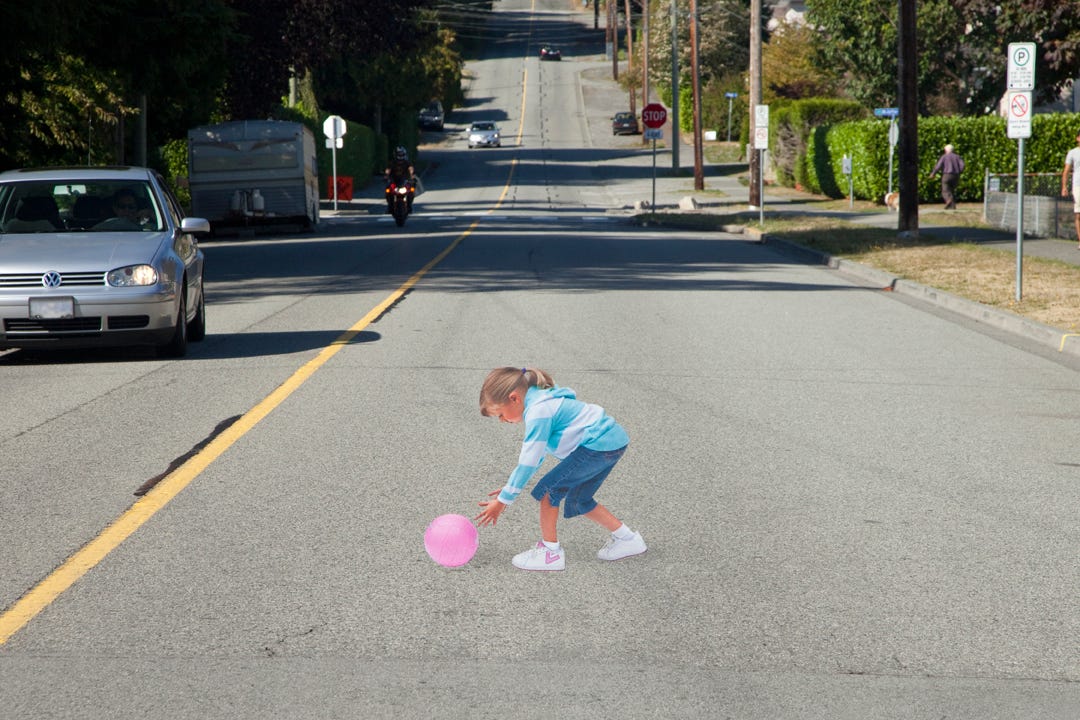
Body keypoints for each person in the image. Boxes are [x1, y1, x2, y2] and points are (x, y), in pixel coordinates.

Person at [474, 367, 646, 571]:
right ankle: (628, 539)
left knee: (549, 491)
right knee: (581, 500)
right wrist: (509, 488)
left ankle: (550, 553)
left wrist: (503, 501)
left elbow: (528, 461)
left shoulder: (539, 411)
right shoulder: (541, 400)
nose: (503, 421)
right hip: (611, 442)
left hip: (597, 445)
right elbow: (535, 458)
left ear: (514, 398)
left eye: (500, 414)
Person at [1060, 131, 1080, 248]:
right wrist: (1064, 186)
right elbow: (1066, 171)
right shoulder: (1073, 153)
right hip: (1078, 185)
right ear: (1077, 138)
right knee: (1078, 214)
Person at [930, 144, 965, 209]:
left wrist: (933, 173)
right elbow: (962, 165)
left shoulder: (944, 157)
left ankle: (948, 200)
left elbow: (938, 166)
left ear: (946, 150)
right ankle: (952, 206)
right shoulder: (957, 157)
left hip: (947, 174)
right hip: (956, 175)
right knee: (952, 190)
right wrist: (959, 171)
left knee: (945, 190)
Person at [383, 146, 416, 214]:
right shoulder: (392, 162)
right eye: (399, 154)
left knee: (411, 191)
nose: (400, 156)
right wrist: (386, 175)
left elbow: (410, 168)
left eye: (402, 154)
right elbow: (388, 169)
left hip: (404, 181)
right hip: (394, 181)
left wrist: (412, 175)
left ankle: (409, 206)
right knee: (388, 191)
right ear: (395, 154)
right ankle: (390, 206)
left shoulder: (407, 162)